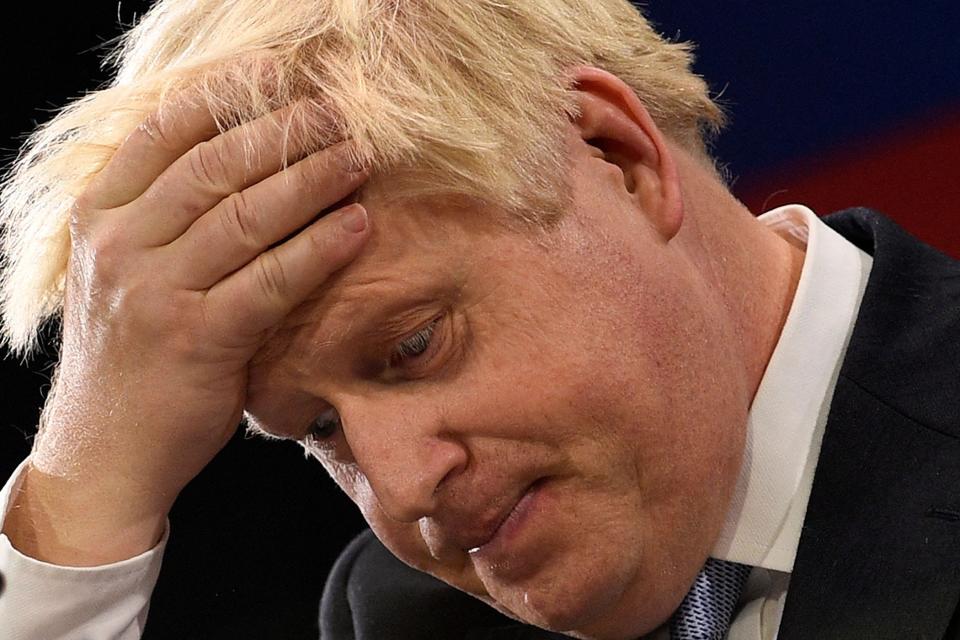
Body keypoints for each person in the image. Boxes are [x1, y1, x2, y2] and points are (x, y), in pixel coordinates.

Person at [0, 1, 958, 639]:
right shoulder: (397, 613)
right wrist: (85, 500)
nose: (405, 488)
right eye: (322, 431)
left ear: (615, 156)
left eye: (414, 345)